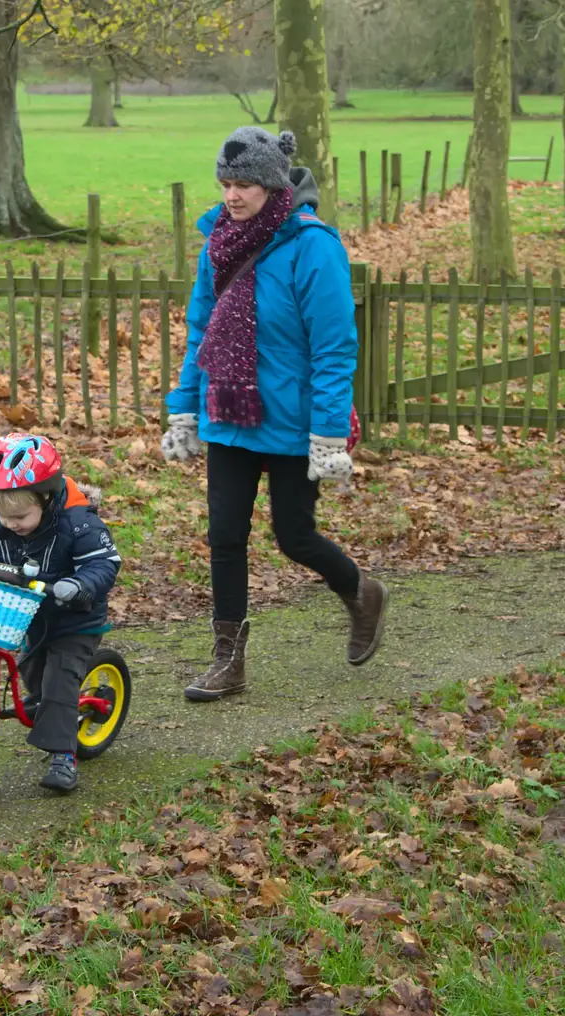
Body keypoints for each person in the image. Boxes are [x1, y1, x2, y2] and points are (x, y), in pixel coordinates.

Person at [160, 126, 387, 703]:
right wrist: (183, 408)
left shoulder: (314, 246)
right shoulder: (217, 241)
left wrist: (329, 434)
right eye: (225, 183)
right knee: (226, 536)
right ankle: (227, 661)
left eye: (244, 185)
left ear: (272, 184)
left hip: (293, 422)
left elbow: (334, 347)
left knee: (294, 535)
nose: (231, 196)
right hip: (229, 414)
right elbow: (200, 331)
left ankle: (360, 591)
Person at [0, 433, 122, 792]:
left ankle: (62, 754)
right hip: (26, 613)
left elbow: (104, 564)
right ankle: (47, 706)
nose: (10, 524)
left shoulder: (79, 524)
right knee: (30, 667)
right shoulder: (0, 521)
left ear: (47, 497)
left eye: (20, 516)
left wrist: (79, 585)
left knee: (58, 681)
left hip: (74, 618)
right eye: (3, 516)